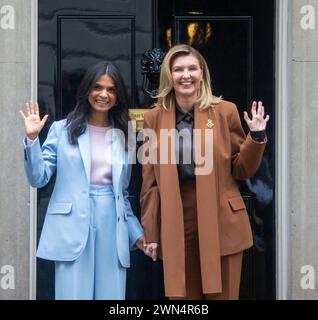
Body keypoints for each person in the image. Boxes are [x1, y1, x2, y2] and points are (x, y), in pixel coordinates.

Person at [140, 44, 269, 300]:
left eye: (192, 68)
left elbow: (241, 168)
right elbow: (150, 182)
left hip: (222, 220)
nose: (185, 75)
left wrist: (256, 136)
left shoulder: (225, 111)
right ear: (169, 75)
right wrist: (151, 232)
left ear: (202, 73)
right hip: (178, 220)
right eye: (178, 70)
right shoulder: (153, 118)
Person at [20, 61, 145, 300]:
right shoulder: (61, 130)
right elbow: (38, 177)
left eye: (111, 89)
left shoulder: (124, 135)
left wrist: (137, 234)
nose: (103, 94)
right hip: (71, 225)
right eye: (97, 87)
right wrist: (32, 140)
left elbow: (123, 194)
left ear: (118, 97)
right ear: (87, 90)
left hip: (113, 224)